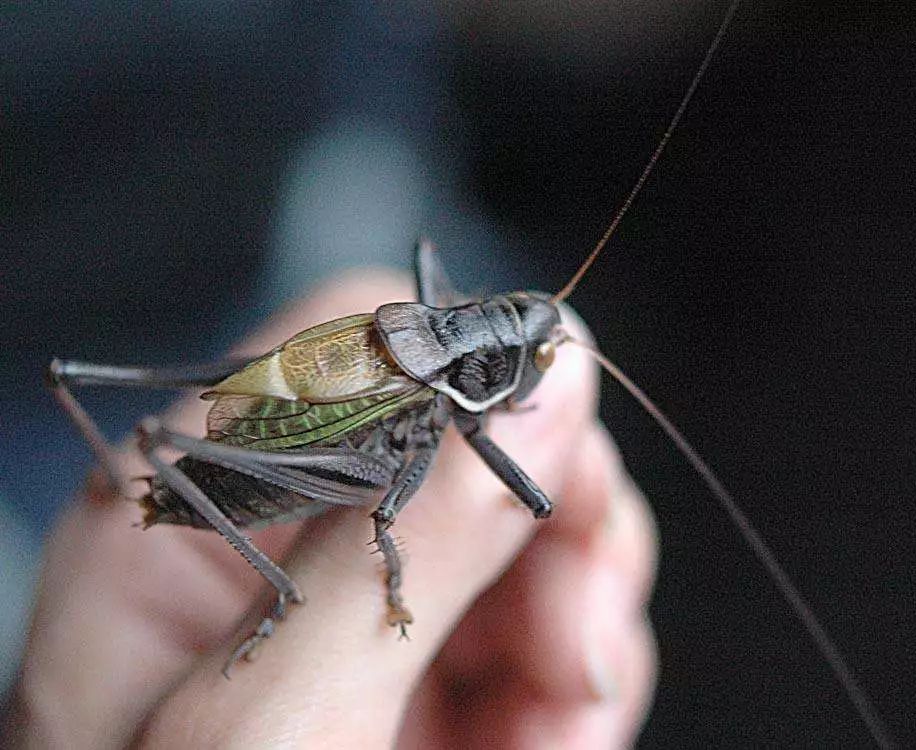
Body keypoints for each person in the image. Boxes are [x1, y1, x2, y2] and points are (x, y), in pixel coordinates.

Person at [3, 272, 658, 749]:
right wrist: (393, 587)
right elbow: (389, 516)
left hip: (331, 410)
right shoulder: (439, 395)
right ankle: (280, 588)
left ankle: (130, 475)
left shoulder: (429, 321)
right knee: (379, 503)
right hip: (270, 471)